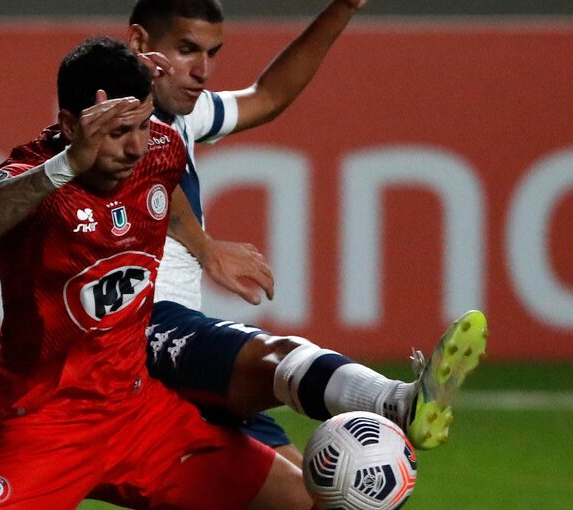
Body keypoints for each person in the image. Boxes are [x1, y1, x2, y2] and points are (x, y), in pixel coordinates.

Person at [0, 36, 312, 509]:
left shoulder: (158, 150)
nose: (136, 147)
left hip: (140, 416)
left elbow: (167, 190)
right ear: (68, 126)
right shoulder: (34, 174)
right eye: (118, 133)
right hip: (46, 426)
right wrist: (67, 165)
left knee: (303, 500)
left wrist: (204, 249)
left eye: (143, 125)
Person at [127, 0, 489, 462]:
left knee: (305, 494)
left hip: (175, 336)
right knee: (276, 357)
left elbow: (269, 96)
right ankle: (397, 402)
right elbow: (147, 170)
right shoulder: (105, 116)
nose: (202, 69)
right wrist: (206, 248)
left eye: (212, 53)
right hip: (135, 325)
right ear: (140, 43)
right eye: (186, 49)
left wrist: (342, 8)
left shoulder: (182, 114)